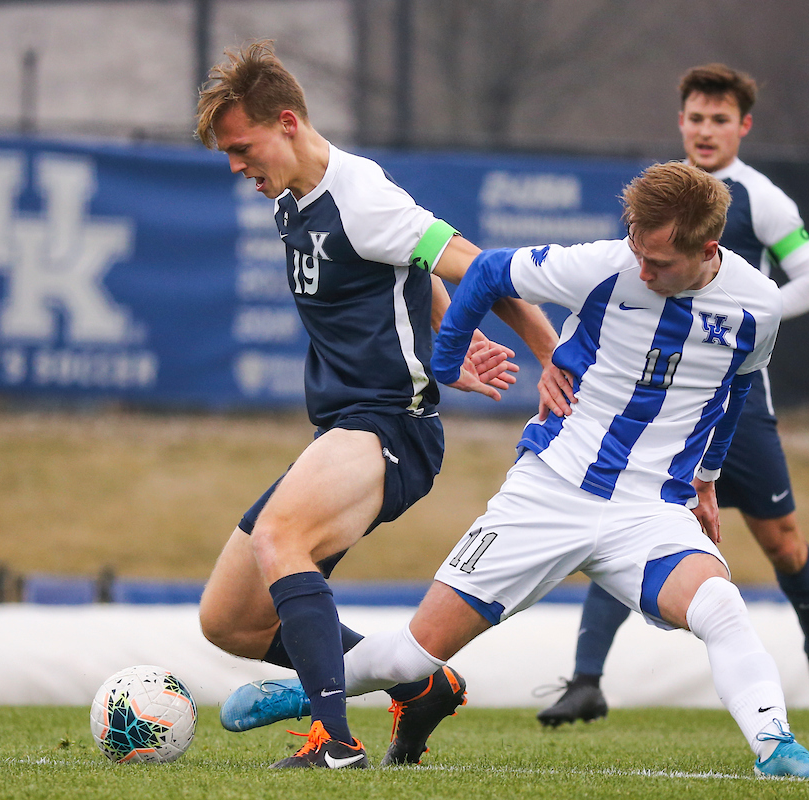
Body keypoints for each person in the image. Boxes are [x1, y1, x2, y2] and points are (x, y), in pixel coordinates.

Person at [228, 161, 809, 780]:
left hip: (649, 511)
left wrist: (708, 478)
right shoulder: (605, 265)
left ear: (707, 249)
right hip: (548, 490)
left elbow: (735, 389)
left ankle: (778, 749)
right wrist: (447, 361)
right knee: (418, 654)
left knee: (720, 606)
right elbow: (489, 271)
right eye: (637, 248)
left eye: (659, 262)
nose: (642, 269)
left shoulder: (759, 307)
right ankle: (310, 691)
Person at [193, 41, 560, 769]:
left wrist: (551, 357)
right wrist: (444, 346)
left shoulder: (361, 198)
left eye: (242, 148)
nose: (238, 167)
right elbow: (412, 271)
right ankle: (416, 683)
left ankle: (334, 743)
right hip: (346, 426)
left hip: (391, 426)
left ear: (288, 122)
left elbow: (479, 265)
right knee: (229, 620)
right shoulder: (294, 197)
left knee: (278, 539)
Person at [536, 63, 809, 734]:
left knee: (783, 543)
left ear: (744, 127)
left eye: (721, 120)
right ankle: (587, 680)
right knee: (626, 517)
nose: (707, 131)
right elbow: (618, 286)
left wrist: (735, 331)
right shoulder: (664, 197)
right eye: (697, 118)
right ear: (681, 122)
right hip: (658, 406)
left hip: (737, 406)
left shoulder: (761, 199)